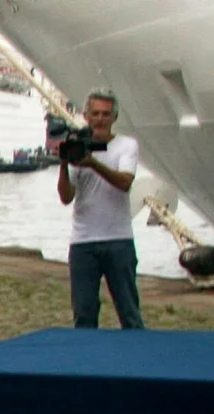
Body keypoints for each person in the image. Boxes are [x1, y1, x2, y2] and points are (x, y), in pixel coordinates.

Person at [57, 91, 144, 330]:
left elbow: (125, 183)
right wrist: (64, 163)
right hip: (83, 242)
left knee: (129, 312)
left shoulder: (126, 145)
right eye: (95, 113)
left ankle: (137, 361)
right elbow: (66, 197)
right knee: (84, 314)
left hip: (118, 240)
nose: (100, 119)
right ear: (85, 115)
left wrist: (92, 163)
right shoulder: (78, 146)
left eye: (106, 114)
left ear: (115, 117)